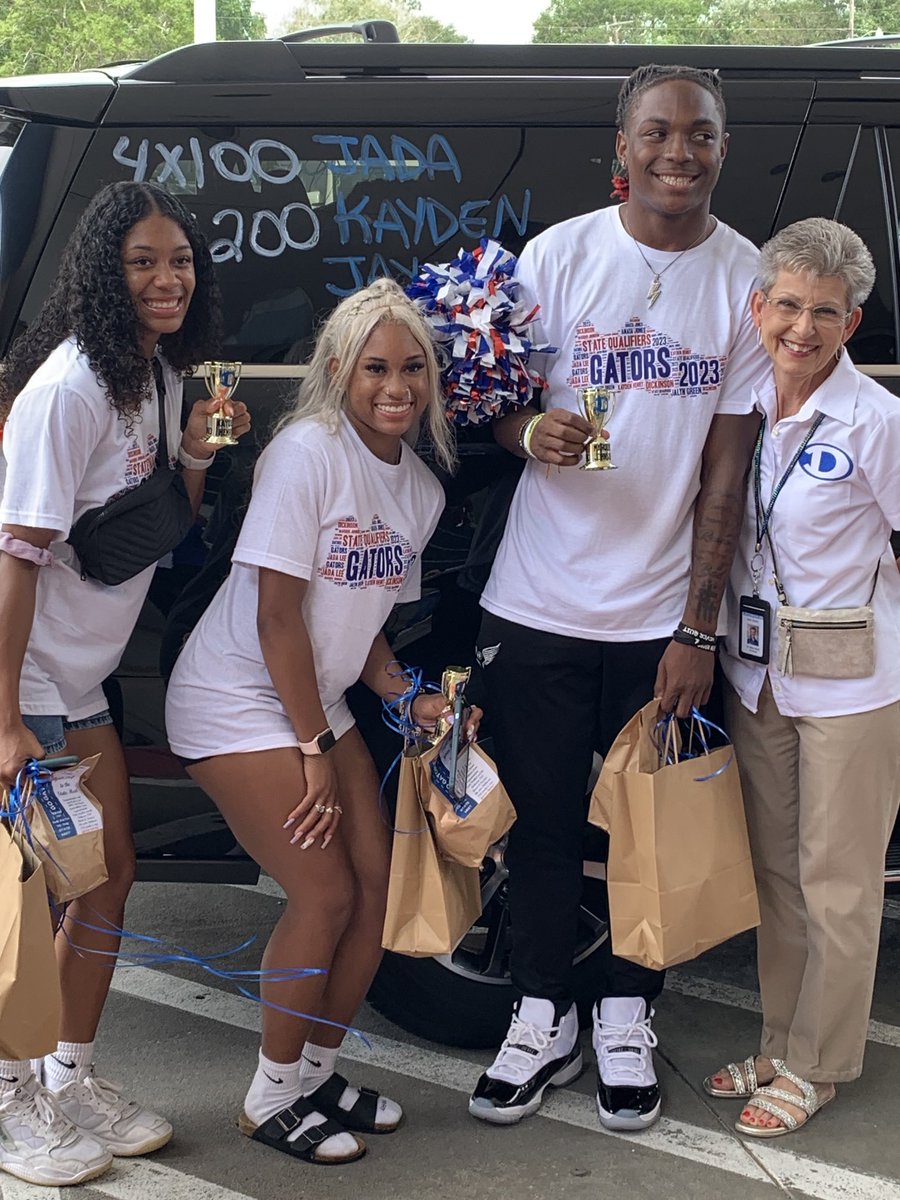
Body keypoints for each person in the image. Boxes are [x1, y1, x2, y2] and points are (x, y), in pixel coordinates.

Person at [468, 64, 767, 1132]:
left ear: (723, 148)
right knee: (543, 828)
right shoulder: (558, 257)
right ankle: (543, 1013)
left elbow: (727, 475)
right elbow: (493, 405)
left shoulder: (748, 280)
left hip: (659, 621)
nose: (678, 152)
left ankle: (629, 1014)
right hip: (536, 601)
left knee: (649, 829)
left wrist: (698, 624)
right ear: (624, 144)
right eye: (659, 133)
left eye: (700, 134)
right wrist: (520, 432)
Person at [165, 279, 480, 1166]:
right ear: (339, 370)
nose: (396, 385)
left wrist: (401, 694)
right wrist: (311, 748)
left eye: (412, 367)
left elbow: (365, 616)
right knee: (325, 892)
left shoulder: (417, 489)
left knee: (376, 889)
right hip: (237, 698)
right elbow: (276, 617)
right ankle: (270, 1096)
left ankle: (316, 1071)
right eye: (375, 366)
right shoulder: (307, 453)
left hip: (319, 698)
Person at [0, 181, 248, 1186]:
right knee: (26, 905)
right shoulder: (68, 392)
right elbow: (14, 560)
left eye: (180, 261)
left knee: (103, 881)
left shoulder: (156, 377)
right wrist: (6, 717)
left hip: (86, 680)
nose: (166, 278)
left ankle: (69, 1077)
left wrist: (195, 454)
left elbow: (156, 525)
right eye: (143, 261)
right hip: (35, 685)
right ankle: (11, 1103)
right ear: (105, 273)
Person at [704, 218, 900, 1138]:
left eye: (826, 311)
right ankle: (781, 1038)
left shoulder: (877, 421)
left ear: (852, 323)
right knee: (777, 874)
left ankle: (822, 1062)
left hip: (853, 684)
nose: (802, 328)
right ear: (758, 306)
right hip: (758, 677)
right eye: (787, 304)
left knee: (840, 879)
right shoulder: (743, 402)